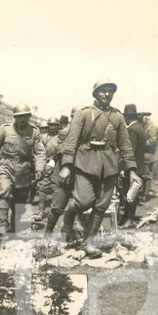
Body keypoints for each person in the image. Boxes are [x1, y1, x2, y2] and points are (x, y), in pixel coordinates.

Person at [58, 79, 140, 257]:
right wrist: (66, 165)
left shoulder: (118, 117)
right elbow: (71, 141)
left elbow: (125, 146)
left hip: (109, 166)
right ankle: (69, 216)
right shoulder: (83, 114)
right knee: (83, 201)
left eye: (110, 91)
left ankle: (88, 242)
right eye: (103, 91)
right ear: (95, 93)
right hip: (85, 162)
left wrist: (132, 170)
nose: (107, 94)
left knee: (102, 205)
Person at [0, 103, 45, 234]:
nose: (22, 120)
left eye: (24, 117)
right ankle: (3, 222)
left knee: (19, 201)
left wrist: (39, 169)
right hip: (5, 164)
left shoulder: (34, 132)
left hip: (24, 169)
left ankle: (15, 227)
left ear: (29, 117)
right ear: (14, 117)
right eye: (18, 117)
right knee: (4, 189)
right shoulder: (5, 129)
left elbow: (40, 152)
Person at [119, 104, 148, 229]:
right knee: (132, 194)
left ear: (127, 117)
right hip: (139, 166)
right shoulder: (140, 128)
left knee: (129, 194)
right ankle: (127, 218)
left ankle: (129, 220)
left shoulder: (131, 130)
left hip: (132, 168)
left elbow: (130, 151)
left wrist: (124, 168)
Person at [141, 112, 158, 201]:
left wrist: (140, 144)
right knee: (143, 174)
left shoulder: (152, 127)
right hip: (145, 154)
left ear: (146, 118)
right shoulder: (145, 126)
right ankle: (144, 192)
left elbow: (153, 141)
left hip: (149, 155)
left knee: (147, 175)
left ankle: (145, 194)